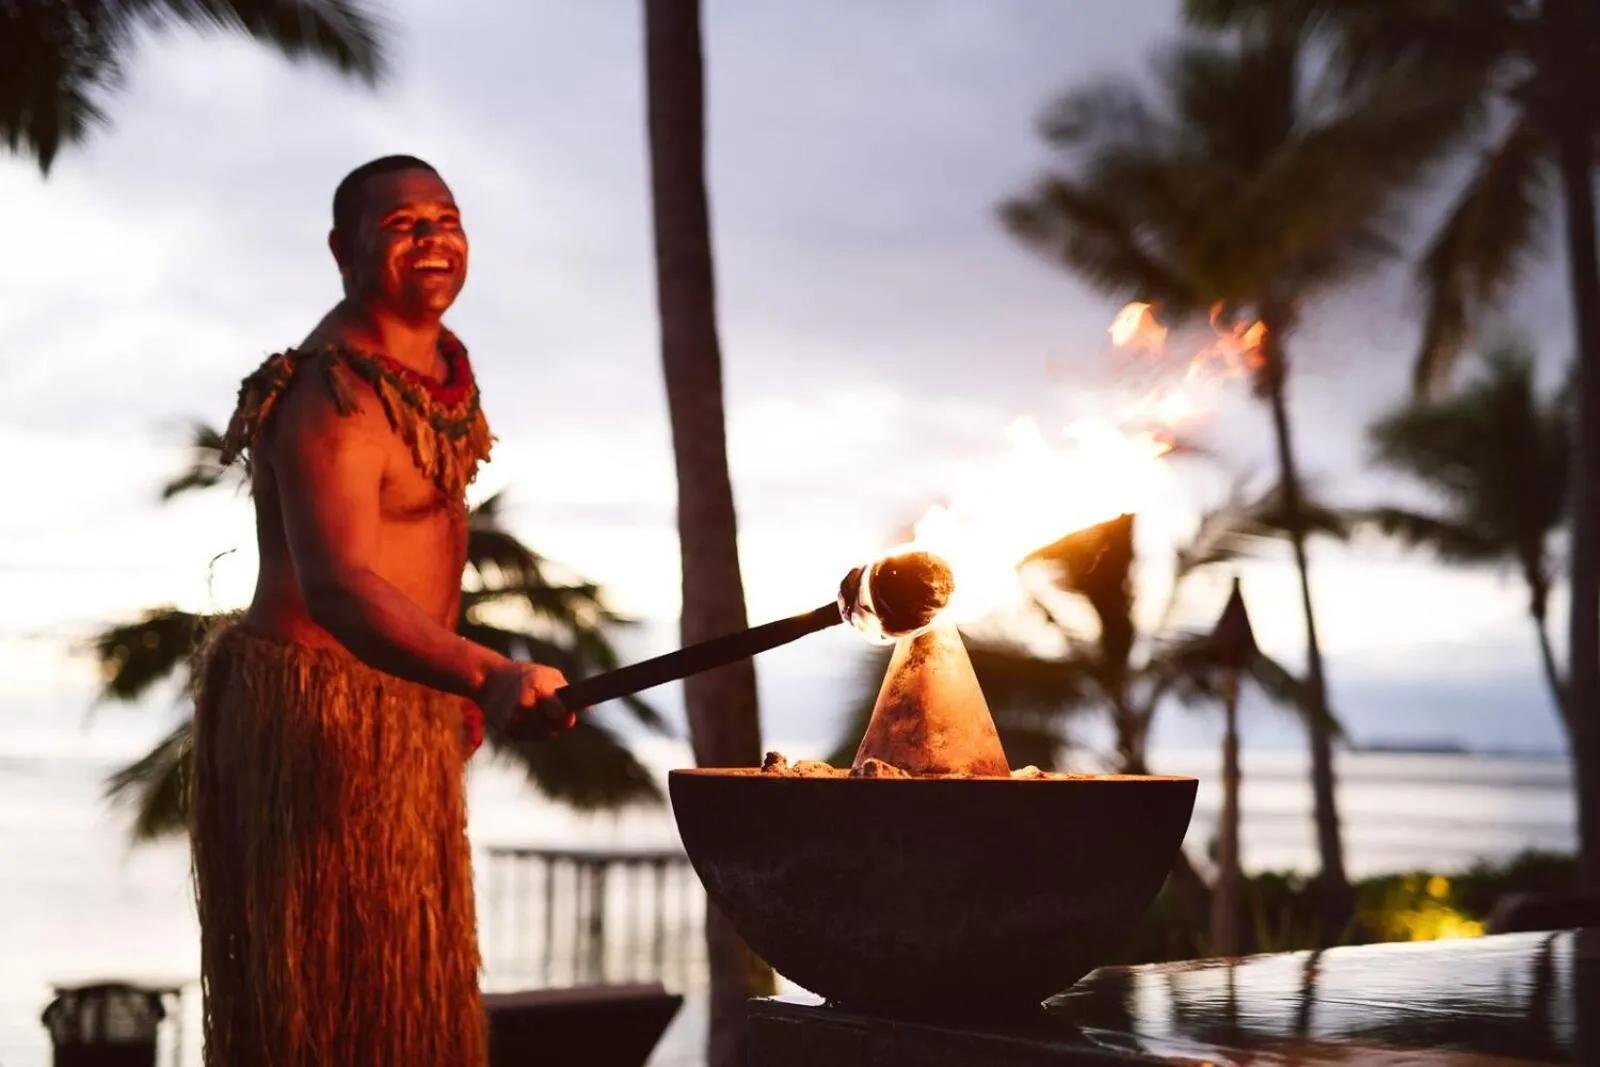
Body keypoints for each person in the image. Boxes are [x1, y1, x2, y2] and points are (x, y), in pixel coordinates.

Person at [189, 154, 575, 1067]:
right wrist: (485, 672)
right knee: (328, 1009)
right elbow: (340, 584)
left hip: (406, 706)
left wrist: (447, 689)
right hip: (320, 718)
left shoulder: (435, 375)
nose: (432, 239)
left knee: (413, 1006)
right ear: (343, 247)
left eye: (445, 219)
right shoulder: (333, 392)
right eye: (403, 224)